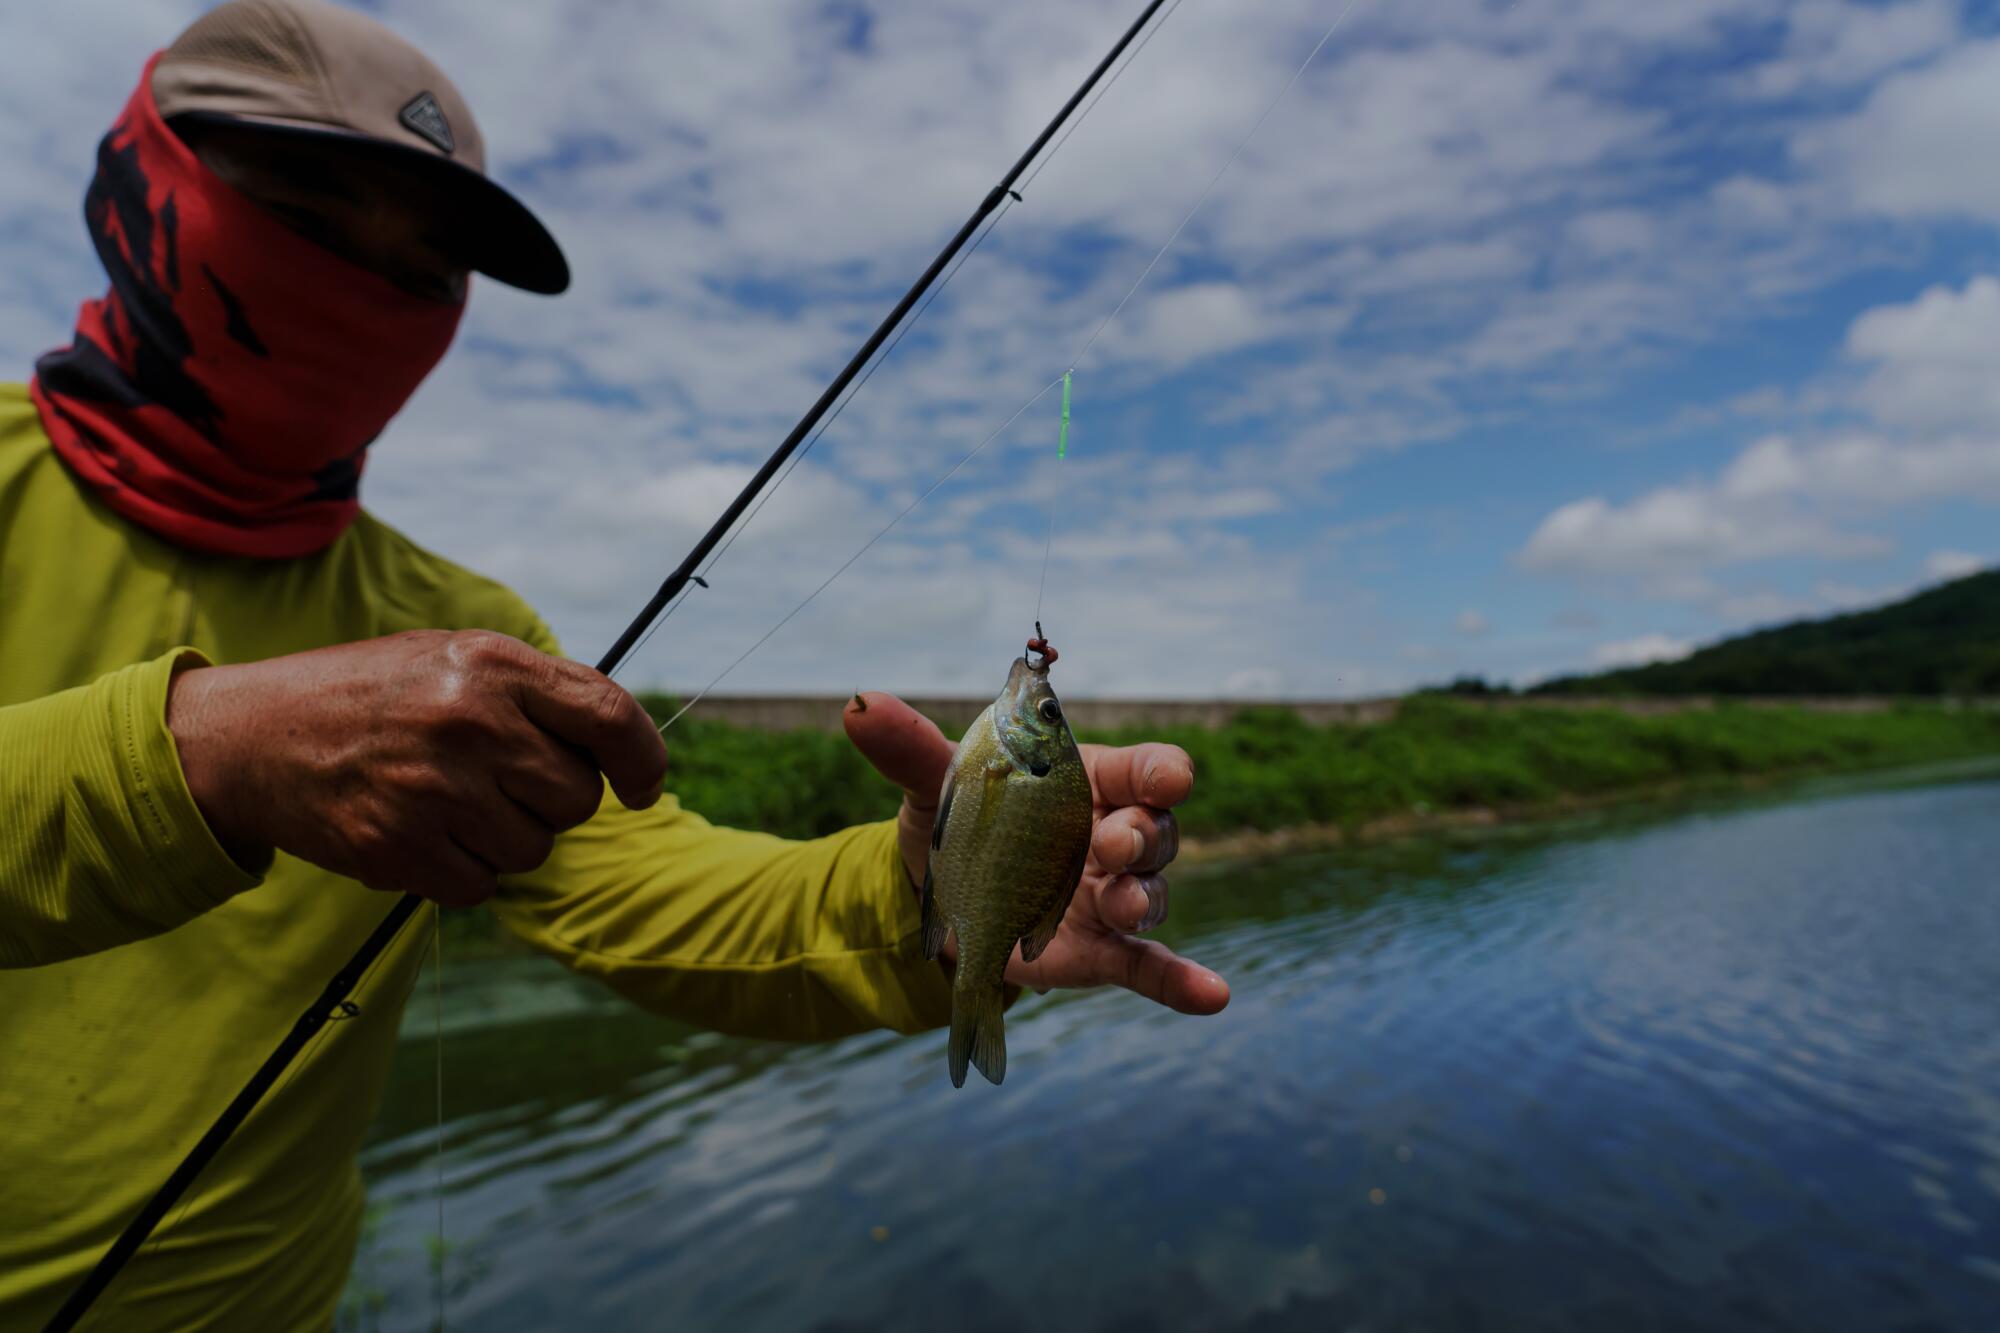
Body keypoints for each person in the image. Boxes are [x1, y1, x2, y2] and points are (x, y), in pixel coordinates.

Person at [0, 1, 1230, 1326]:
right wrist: (206, 752)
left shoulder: (460, 630)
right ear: (146, 175)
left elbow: (651, 889)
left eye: (420, 267)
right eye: (305, 206)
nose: (359, 286)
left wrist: (928, 896)